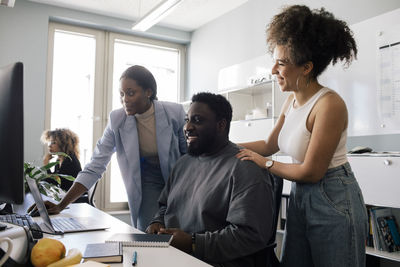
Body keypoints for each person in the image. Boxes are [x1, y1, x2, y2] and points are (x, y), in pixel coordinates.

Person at [236, 5, 368, 267]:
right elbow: (269, 144)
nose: (273, 69)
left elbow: (312, 171)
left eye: (282, 63)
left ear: (306, 67)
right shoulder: (291, 102)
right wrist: (224, 147)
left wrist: (264, 164)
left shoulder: (329, 104)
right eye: (274, 60)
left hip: (333, 195)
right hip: (300, 196)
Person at [40, 65, 187, 231]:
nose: (125, 99)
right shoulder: (117, 120)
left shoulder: (174, 112)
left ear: (148, 92)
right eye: (121, 94)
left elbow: (189, 156)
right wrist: (61, 205)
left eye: (131, 93)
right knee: (148, 232)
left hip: (179, 176)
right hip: (146, 179)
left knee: (180, 228)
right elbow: (95, 166)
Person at [146, 92, 274, 267]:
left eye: (197, 120)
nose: (187, 127)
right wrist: (157, 222)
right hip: (175, 256)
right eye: (187, 120)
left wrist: (193, 243)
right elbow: (165, 206)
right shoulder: (183, 163)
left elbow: (250, 236)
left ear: (221, 125)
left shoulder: (245, 168)